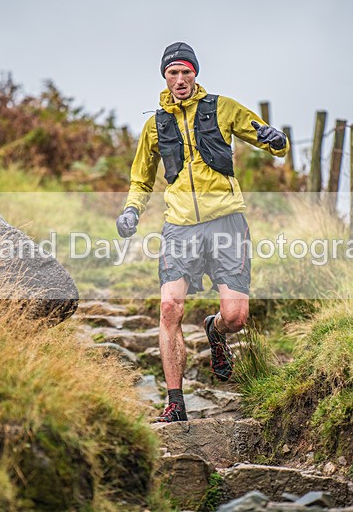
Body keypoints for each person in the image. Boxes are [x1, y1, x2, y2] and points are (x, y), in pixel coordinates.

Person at [116, 42, 289, 422]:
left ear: (196, 74)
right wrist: (131, 210)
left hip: (227, 220)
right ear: (165, 76)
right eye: (172, 73)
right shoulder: (155, 125)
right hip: (180, 227)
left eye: (186, 72)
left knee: (236, 316)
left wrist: (275, 140)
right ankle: (175, 403)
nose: (180, 80)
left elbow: (265, 136)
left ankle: (215, 329)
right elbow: (140, 180)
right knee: (169, 307)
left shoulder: (222, 108)